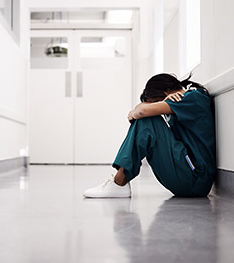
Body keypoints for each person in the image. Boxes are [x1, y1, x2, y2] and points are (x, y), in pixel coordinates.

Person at [83, 73, 216, 198]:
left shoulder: (192, 98)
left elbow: (141, 112)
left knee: (148, 120)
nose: (157, 106)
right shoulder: (184, 100)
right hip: (189, 176)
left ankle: (119, 183)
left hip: (195, 178)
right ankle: (119, 182)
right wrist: (138, 111)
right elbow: (140, 111)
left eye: (155, 102)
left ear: (166, 91)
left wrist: (134, 112)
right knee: (147, 119)